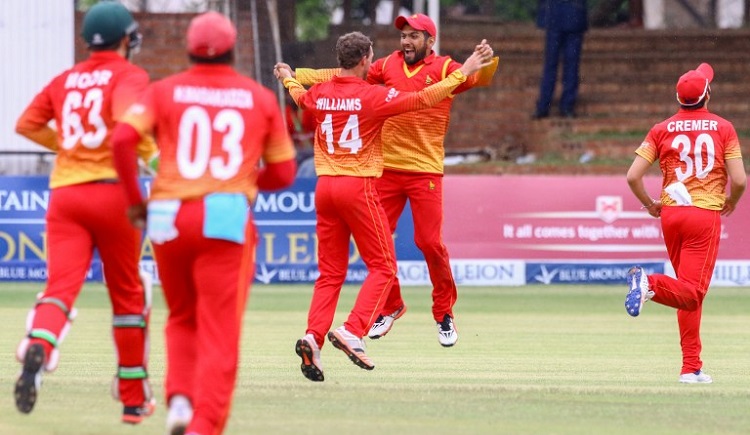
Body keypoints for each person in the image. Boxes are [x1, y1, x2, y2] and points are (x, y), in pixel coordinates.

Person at [112, 11, 296, 434]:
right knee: (220, 329)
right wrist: (248, 180)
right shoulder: (258, 97)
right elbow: (285, 173)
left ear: (189, 49)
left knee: (181, 316)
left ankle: (179, 399)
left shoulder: (164, 90)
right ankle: (204, 424)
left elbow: (122, 139)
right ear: (233, 50)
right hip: (223, 214)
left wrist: (136, 202)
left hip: (167, 214)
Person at [275, 31, 493, 381]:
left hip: (324, 187)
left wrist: (288, 78)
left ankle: (313, 337)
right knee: (384, 267)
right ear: (365, 60)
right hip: (357, 186)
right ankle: (353, 330)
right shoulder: (372, 96)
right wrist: (462, 72)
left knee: (330, 273)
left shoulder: (321, 93)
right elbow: (421, 99)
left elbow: (300, 98)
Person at [13, 1, 156, 423]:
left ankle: (40, 343)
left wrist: (69, 147)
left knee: (59, 288)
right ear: (126, 39)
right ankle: (133, 399)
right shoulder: (129, 75)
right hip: (113, 196)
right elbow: (128, 129)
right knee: (127, 295)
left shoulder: (65, 79)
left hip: (66, 197)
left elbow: (25, 124)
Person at [625, 63, 746, 384]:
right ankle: (648, 282)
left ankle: (691, 367)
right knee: (693, 294)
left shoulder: (660, 129)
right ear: (708, 95)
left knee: (686, 290)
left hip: (671, 214)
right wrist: (732, 201)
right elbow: (739, 180)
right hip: (703, 214)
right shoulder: (724, 128)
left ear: (678, 98)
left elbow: (633, 176)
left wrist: (650, 204)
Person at [533, 0, 588, 119]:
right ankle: (549, 105)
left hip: (567, 17)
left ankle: (559, 105)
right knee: (557, 65)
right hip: (561, 16)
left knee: (568, 65)